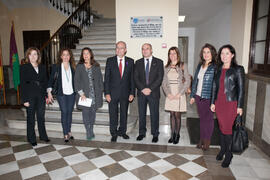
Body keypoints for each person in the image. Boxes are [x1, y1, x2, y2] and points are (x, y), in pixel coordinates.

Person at [210, 44, 245, 168]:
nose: (224, 56)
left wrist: (240, 106)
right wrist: (213, 102)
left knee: (228, 130)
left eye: (227, 53)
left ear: (232, 55)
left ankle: (229, 154)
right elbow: (214, 87)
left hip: (231, 104)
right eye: (222, 53)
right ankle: (223, 149)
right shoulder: (218, 69)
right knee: (221, 128)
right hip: (219, 103)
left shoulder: (238, 69)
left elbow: (241, 89)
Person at [104, 41, 135, 142]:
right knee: (113, 114)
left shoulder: (130, 61)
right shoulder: (110, 60)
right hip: (112, 93)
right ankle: (113, 132)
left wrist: (132, 93)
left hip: (125, 93)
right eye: (117, 48)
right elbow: (107, 78)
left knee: (124, 113)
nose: (119, 50)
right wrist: (107, 93)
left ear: (125, 50)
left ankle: (122, 131)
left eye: (121, 48)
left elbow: (132, 79)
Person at [134, 43, 164, 143]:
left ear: (151, 50)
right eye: (143, 49)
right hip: (141, 93)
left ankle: (155, 134)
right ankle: (141, 133)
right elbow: (136, 78)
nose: (145, 51)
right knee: (141, 114)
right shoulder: (137, 63)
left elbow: (159, 78)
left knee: (154, 114)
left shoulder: (159, 62)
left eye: (147, 49)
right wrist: (143, 88)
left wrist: (150, 89)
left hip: (154, 92)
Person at [20, 47, 50, 146]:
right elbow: (23, 84)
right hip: (30, 96)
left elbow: (45, 82)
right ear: (28, 56)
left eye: (35, 54)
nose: (33, 56)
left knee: (41, 116)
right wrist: (24, 99)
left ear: (38, 56)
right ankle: (31, 138)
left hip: (41, 95)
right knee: (31, 118)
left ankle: (43, 135)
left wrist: (46, 95)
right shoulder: (24, 67)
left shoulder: (42, 67)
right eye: (31, 54)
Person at [190, 43, 217, 150]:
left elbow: (216, 85)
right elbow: (195, 81)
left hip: (209, 97)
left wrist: (214, 101)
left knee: (209, 120)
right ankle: (201, 139)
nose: (206, 54)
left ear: (212, 53)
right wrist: (192, 95)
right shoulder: (200, 65)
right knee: (202, 119)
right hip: (198, 96)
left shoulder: (215, 67)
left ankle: (207, 141)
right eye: (204, 52)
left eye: (208, 52)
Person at [162, 47, 190, 144]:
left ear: (177, 54)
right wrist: (167, 94)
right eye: (170, 53)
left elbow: (187, 80)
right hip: (170, 93)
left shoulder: (183, 65)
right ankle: (172, 134)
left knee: (177, 115)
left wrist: (180, 93)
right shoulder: (166, 67)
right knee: (172, 114)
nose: (172, 55)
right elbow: (164, 82)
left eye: (174, 53)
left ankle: (177, 134)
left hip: (179, 93)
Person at [74, 47, 103, 141]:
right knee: (86, 114)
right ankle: (88, 131)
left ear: (91, 55)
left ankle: (91, 128)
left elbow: (100, 81)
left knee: (93, 114)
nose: (86, 55)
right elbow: (76, 81)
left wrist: (100, 92)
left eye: (87, 53)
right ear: (82, 56)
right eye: (84, 54)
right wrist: (81, 94)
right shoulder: (79, 66)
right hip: (84, 96)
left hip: (94, 95)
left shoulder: (96, 66)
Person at [47, 48, 76, 142]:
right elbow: (51, 80)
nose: (66, 56)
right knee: (64, 112)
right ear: (61, 56)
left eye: (67, 54)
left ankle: (69, 131)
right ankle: (65, 133)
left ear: (70, 56)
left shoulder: (73, 67)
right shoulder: (56, 67)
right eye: (64, 54)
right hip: (61, 93)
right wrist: (49, 92)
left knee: (69, 112)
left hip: (72, 93)